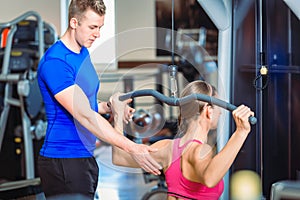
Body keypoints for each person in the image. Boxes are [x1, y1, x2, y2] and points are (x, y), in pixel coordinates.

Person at [36, 0, 161, 199]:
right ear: (74, 22)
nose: (98, 34)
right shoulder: (56, 62)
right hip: (63, 159)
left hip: (84, 156)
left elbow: (86, 103)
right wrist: (132, 147)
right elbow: (84, 116)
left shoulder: (82, 52)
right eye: (93, 27)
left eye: (100, 27)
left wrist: (109, 106)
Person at [111, 80, 255, 200]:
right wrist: (241, 132)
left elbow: (119, 157)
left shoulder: (167, 148)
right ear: (208, 111)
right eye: (218, 108)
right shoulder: (201, 150)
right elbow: (210, 178)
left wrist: (118, 115)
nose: (221, 112)